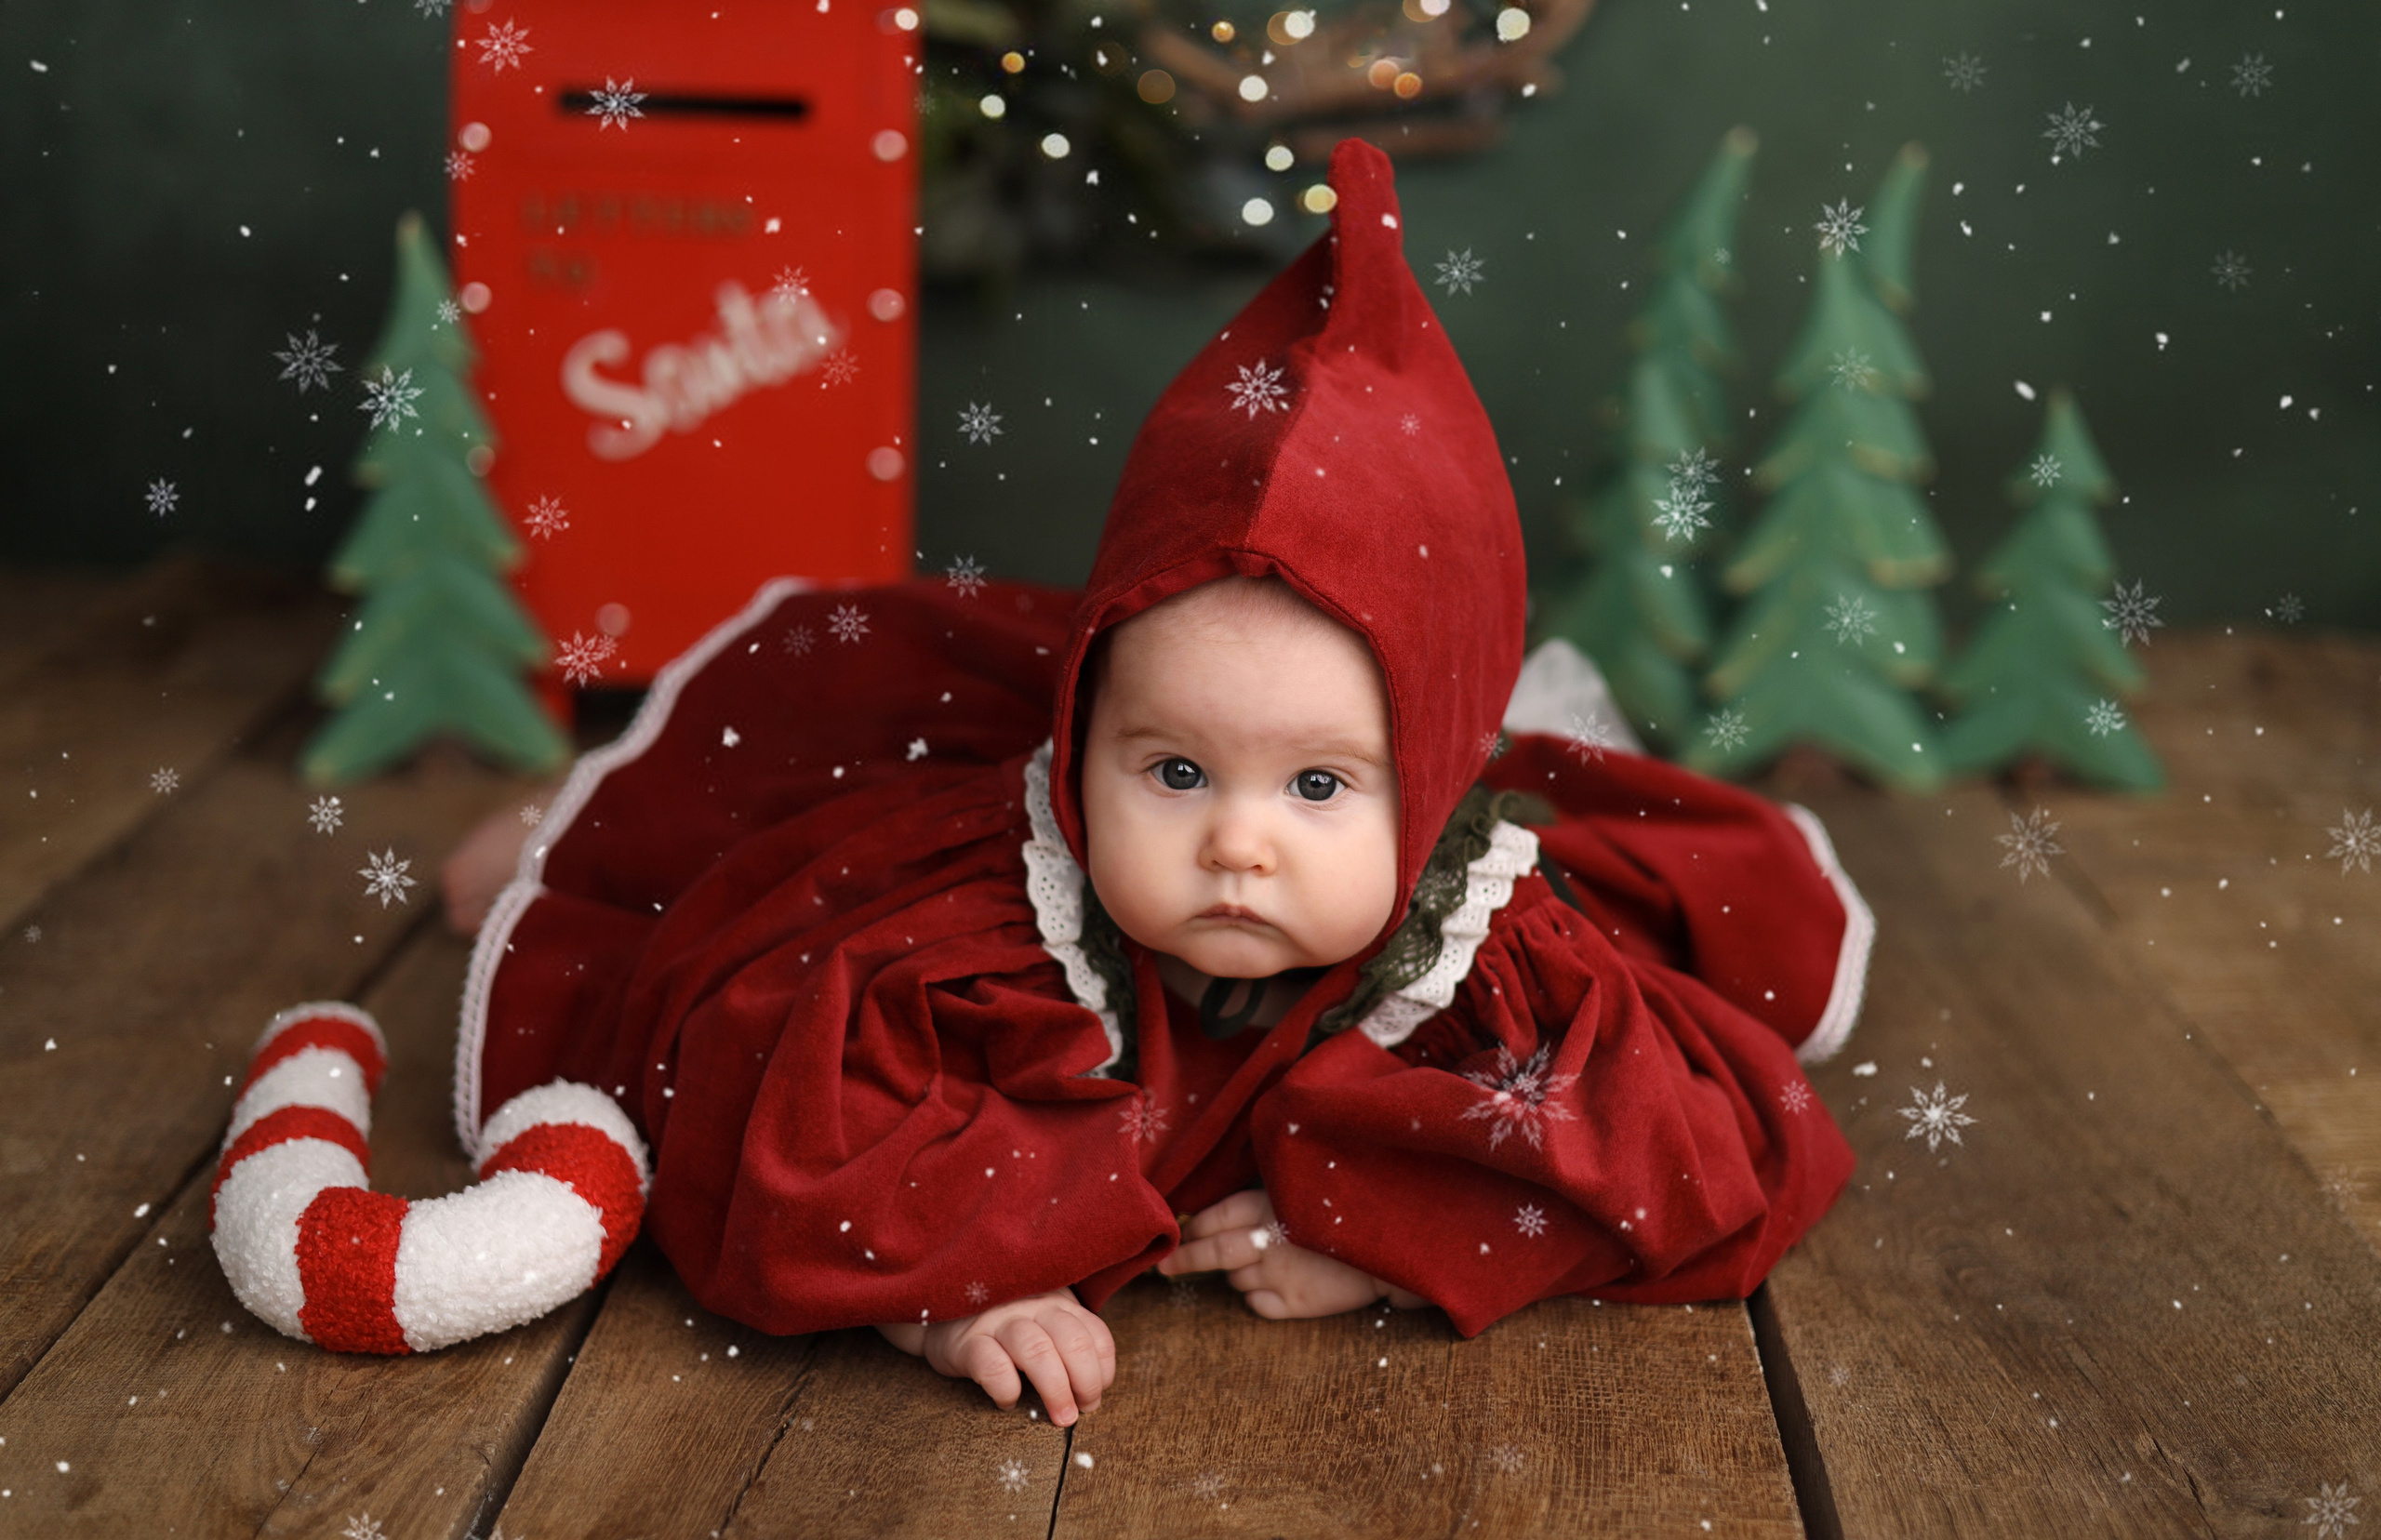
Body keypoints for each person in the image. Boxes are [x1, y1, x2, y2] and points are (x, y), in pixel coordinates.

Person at [441, 139, 1869, 1429]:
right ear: (1088, 740)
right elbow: (766, 1123)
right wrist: (946, 1294)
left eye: (1319, 787)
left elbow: (1705, 1159)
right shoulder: (969, 937)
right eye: (1177, 771)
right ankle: (567, 823)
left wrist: (1396, 1243)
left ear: (1425, 784)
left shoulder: (1492, 967)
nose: (1236, 843)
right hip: (953, 779)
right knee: (740, 841)